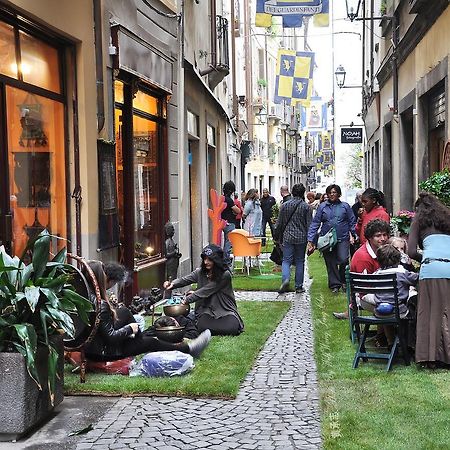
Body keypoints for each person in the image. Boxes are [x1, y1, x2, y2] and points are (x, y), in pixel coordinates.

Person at [83, 261, 211, 361]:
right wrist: (130, 329)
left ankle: (140, 339)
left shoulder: (84, 298)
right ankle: (188, 349)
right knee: (151, 342)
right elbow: (110, 337)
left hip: (93, 347)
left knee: (124, 312)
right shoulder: (101, 305)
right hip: (103, 353)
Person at [408, 192, 450, 367]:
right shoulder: (447, 220)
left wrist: (424, 257)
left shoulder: (417, 221)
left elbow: (410, 252)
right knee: (447, 312)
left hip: (431, 269)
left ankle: (429, 357)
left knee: (429, 313)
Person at [164, 244, 244, 336]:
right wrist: (172, 284)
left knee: (231, 327)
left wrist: (187, 300)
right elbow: (185, 279)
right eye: (205, 259)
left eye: (210, 259)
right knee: (202, 326)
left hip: (225, 310)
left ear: (217, 261)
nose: (206, 262)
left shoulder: (225, 275)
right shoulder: (200, 272)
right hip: (207, 310)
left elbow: (206, 290)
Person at [360, 244, 418, 347]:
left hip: (380, 312)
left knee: (386, 308)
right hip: (400, 311)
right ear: (398, 259)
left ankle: (391, 342)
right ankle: (407, 343)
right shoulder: (402, 273)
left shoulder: (377, 274)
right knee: (412, 306)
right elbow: (417, 278)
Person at [332, 218, 390, 320]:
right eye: (378, 236)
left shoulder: (384, 250)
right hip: (364, 297)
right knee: (395, 307)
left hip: (383, 292)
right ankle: (389, 335)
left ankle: (383, 334)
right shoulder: (363, 257)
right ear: (370, 238)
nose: (383, 239)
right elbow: (365, 289)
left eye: (385, 235)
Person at [307, 184, 356, 294]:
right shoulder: (323, 206)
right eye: (330, 192)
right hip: (327, 239)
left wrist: (354, 234)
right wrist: (311, 238)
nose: (332, 194)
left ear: (339, 194)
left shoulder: (345, 206)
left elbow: (352, 221)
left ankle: (343, 280)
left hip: (342, 237)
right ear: (327, 194)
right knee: (330, 262)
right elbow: (315, 223)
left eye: (334, 192)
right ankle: (335, 284)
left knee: (343, 259)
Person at [275, 183, 312, 294]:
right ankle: (299, 286)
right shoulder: (306, 207)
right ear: (303, 193)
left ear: (292, 192)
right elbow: (309, 225)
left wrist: (277, 236)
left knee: (286, 260)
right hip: (301, 237)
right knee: (300, 261)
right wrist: (311, 240)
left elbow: (279, 223)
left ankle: (285, 279)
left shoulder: (285, 205)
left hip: (287, 236)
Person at [221, 181, 241, 269]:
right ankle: (226, 262)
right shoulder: (229, 199)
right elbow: (237, 210)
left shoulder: (222, 198)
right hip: (229, 222)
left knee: (226, 242)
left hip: (224, 221)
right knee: (228, 243)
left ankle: (225, 260)